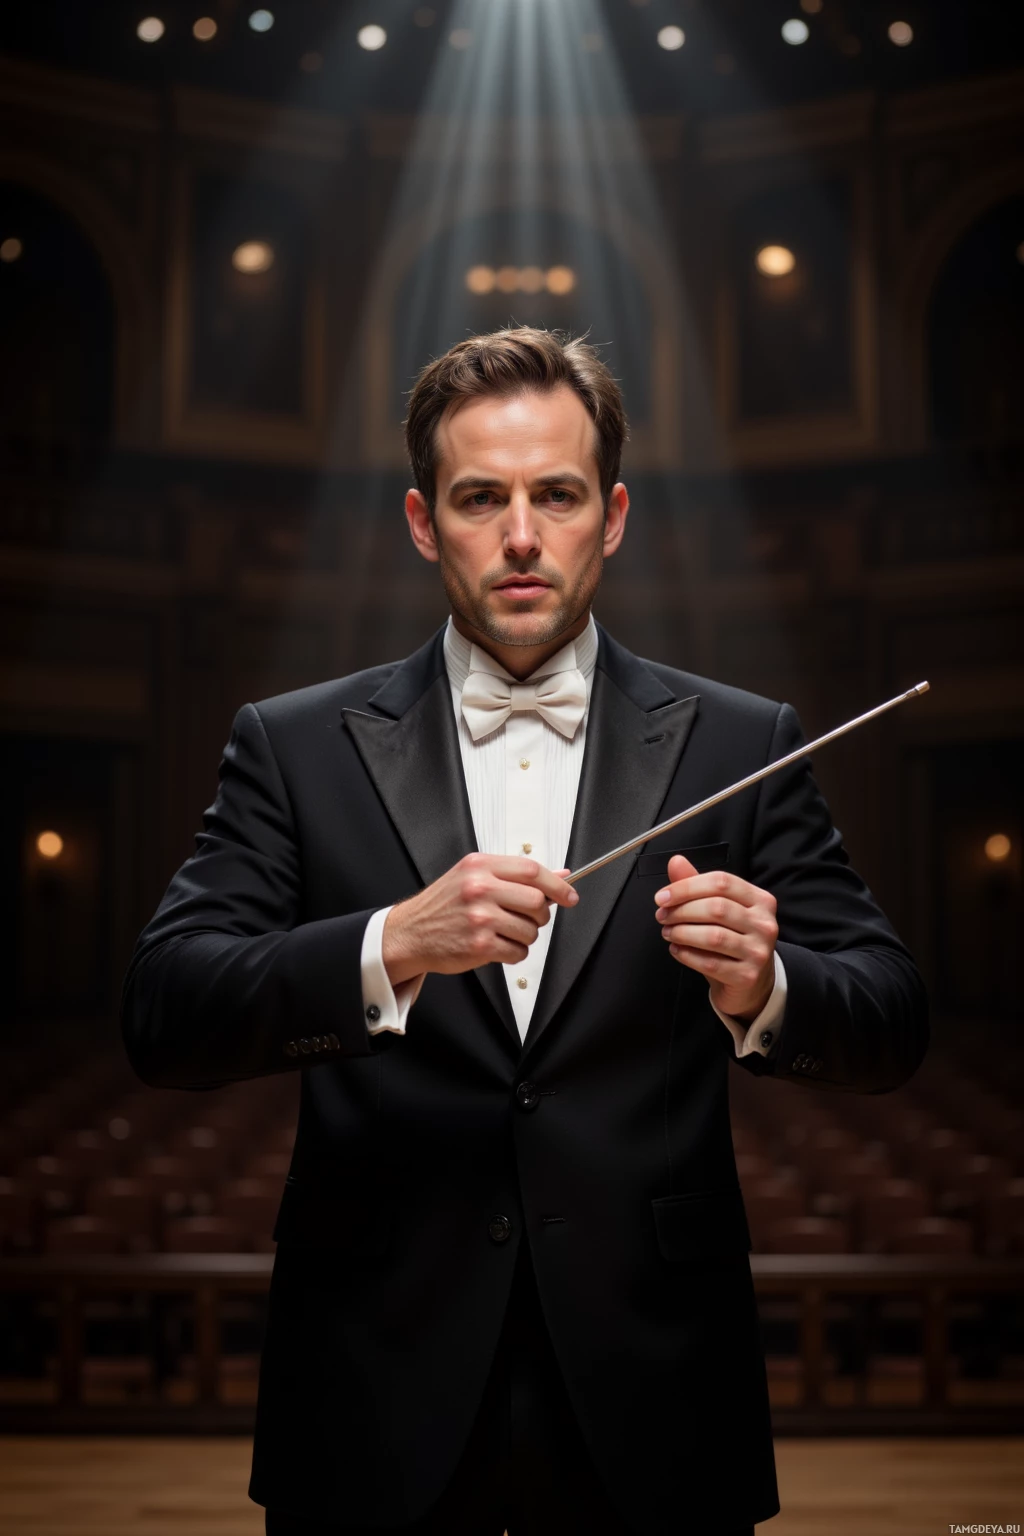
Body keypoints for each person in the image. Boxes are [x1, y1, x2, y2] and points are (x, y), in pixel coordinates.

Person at [122, 327, 928, 1536]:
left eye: (554, 496)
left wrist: (767, 984)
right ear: (418, 519)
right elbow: (165, 1013)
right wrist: (390, 943)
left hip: (654, 1386)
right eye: (478, 497)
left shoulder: (744, 741)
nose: (518, 536)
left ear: (608, 517)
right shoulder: (288, 743)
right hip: (371, 1380)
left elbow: (891, 1016)